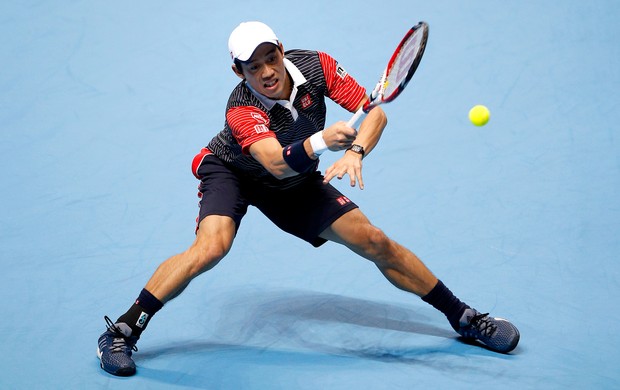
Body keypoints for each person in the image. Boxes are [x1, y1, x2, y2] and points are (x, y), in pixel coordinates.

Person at [97, 21, 519, 377]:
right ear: (237, 70)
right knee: (212, 247)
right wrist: (321, 141)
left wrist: (355, 151)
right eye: (252, 65)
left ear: (281, 50)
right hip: (234, 173)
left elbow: (376, 113)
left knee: (374, 240)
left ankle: (464, 318)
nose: (265, 71)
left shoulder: (317, 65)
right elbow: (274, 163)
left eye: (270, 57)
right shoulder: (240, 108)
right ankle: (122, 331)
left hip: (293, 185)